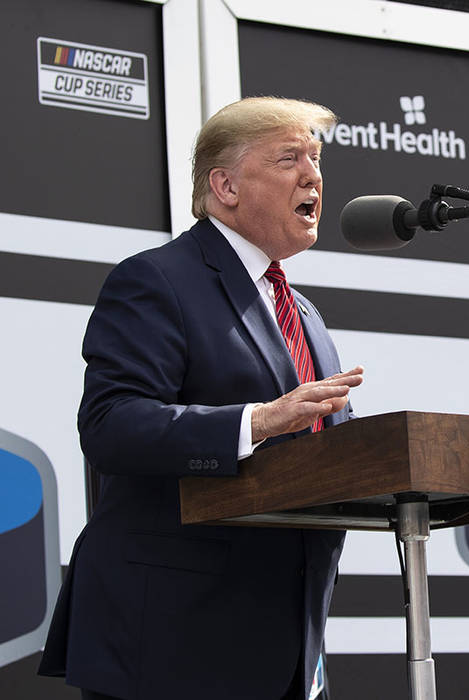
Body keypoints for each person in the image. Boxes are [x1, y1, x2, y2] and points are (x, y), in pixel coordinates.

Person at [38, 97, 363, 700]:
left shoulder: (305, 313)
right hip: (174, 644)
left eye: (316, 159)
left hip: (284, 648)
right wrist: (259, 421)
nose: (313, 175)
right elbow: (112, 425)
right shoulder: (157, 279)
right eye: (289, 157)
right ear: (226, 185)